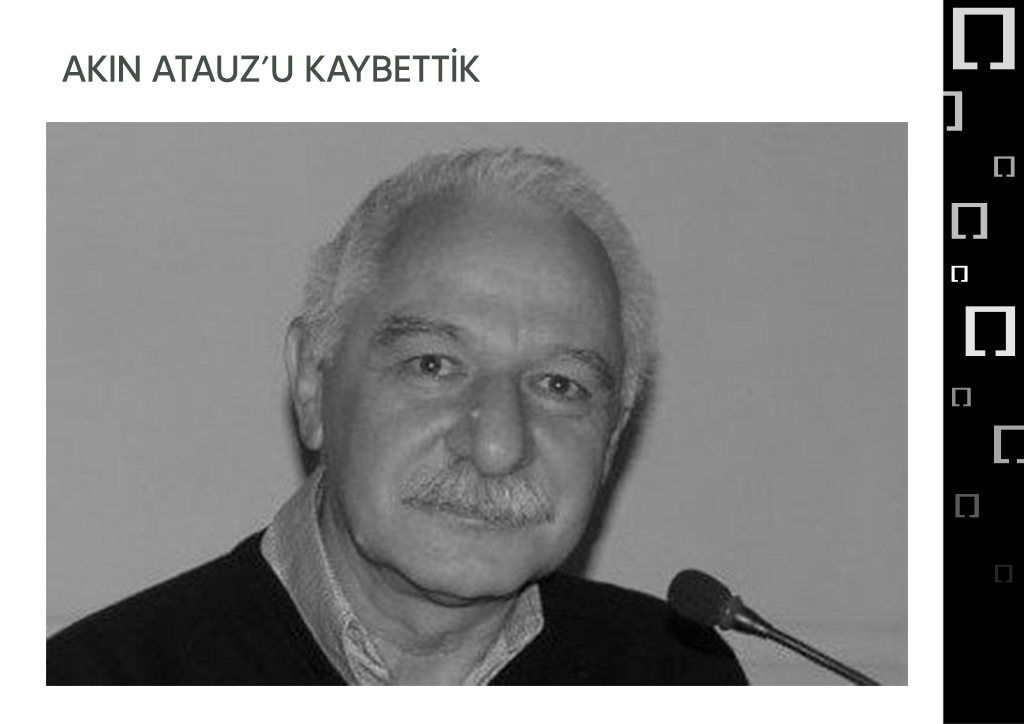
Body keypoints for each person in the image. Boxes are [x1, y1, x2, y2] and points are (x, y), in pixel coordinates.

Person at [47, 148, 747, 685]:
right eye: (433, 365)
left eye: (560, 385)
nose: (498, 445)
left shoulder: (677, 676)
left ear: (612, 438)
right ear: (313, 382)